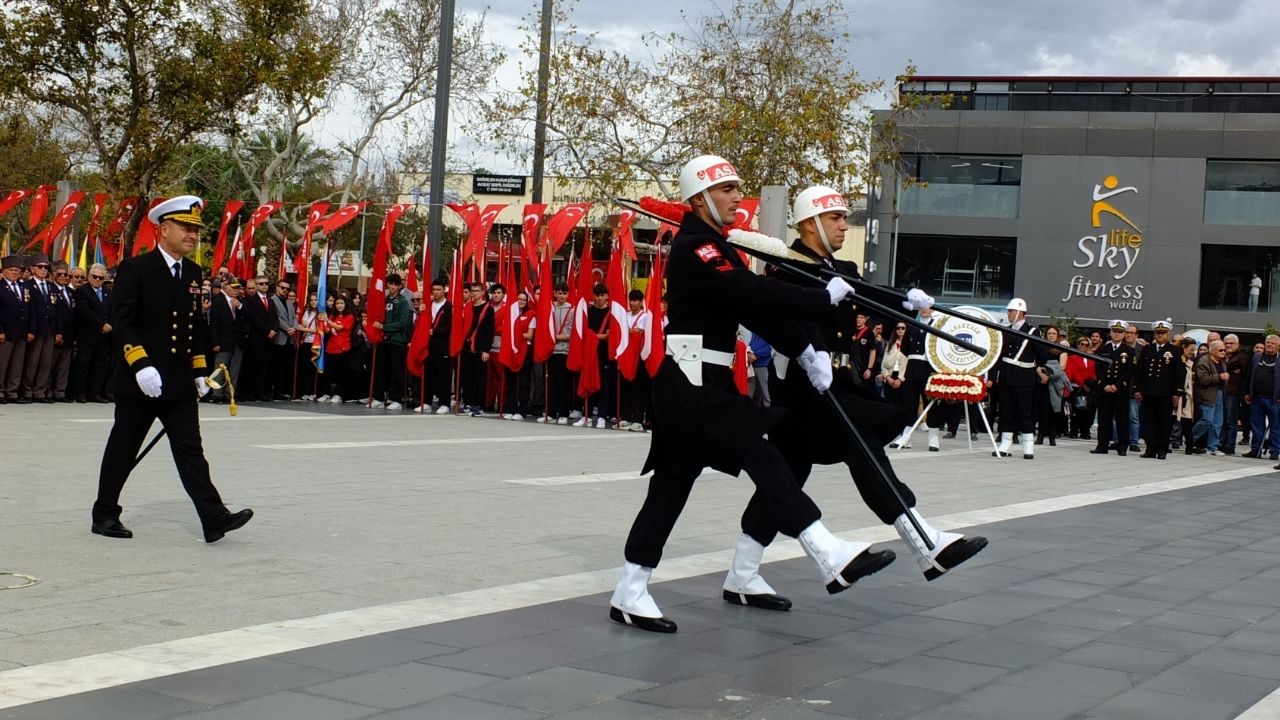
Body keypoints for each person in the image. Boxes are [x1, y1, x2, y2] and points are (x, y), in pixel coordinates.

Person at [609, 156, 892, 633]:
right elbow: (749, 291)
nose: (737, 196)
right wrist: (820, 298)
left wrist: (804, 348)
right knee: (764, 457)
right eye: (727, 189)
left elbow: (753, 311)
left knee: (670, 490)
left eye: (736, 187)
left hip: (703, 383)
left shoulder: (717, 245)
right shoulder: (699, 248)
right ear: (700, 198)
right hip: (691, 385)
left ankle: (630, 590)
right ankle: (827, 550)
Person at [724, 185, 986, 613]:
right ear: (810, 224)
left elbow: (864, 292)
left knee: (787, 479)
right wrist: (811, 349)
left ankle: (742, 572)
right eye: (835, 218)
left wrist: (905, 298)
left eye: (845, 217)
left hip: (832, 384)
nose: (845, 225)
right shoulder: (786, 267)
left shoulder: (839, 267)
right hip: (805, 388)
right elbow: (783, 315)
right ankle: (924, 540)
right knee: (862, 447)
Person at [91, 195, 253, 543]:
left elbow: (194, 327)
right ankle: (104, 513)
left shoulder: (192, 272)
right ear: (163, 229)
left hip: (178, 383)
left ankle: (213, 517)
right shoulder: (135, 268)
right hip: (141, 380)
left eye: (196, 229)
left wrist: (199, 371)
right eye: (185, 228)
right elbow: (122, 322)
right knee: (123, 448)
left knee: (191, 450)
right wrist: (141, 365)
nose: (193, 235)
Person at [988, 298, 1051, 459]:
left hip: (1024, 377)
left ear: (1020, 312)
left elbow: (1043, 354)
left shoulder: (1033, 332)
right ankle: (1005, 443)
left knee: (1024, 412)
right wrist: (992, 377)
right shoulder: (1005, 331)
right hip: (1006, 376)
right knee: (1006, 411)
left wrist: (1039, 367)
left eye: (1010, 311)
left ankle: (1028, 444)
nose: (1008, 314)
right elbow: (997, 356)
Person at [1133, 319, 1184, 460]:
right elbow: (1139, 370)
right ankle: (1151, 448)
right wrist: (1137, 388)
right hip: (1148, 392)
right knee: (1149, 422)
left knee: (1164, 422)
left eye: (1163, 333)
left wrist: (1177, 393)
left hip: (1166, 393)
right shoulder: (1147, 349)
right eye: (1158, 333)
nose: (1160, 335)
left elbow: (1181, 373)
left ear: (1168, 334)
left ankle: (1162, 449)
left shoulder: (1175, 350)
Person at [1088, 320, 1135, 455]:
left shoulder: (1129, 351)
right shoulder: (1102, 349)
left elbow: (1130, 371)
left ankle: (1122, 446)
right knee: (1104, 419)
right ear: (1110, 332)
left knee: (1122, 419)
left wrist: (1117, 385)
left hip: (1120, 389)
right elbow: (1098, 369)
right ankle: (1102, 445)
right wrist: (1104, 385)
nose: (1117, 334)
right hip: (1105, 389)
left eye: (1120, 332)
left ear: (1124, 334)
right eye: (1114, 331)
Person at [368, 273, 410, 410]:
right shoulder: (384, 300)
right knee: (381, 370)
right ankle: (379, 397)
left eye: (395, 285)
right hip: (383, 340)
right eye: (390, 284)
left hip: (397, 341)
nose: (392, 287)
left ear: (399, 286)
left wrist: (384, 327)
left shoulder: (403, 301)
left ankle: (396, 399)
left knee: (397, 371)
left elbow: (402, 323)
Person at [73, 263, 113, 403]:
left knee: (100, 365)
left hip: (104, 336)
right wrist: (101, 324)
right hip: (87, 334)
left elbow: (112, 310)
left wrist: (110, 325)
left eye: (100, 278)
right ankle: (80, 392)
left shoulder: (108, 292)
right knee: (83, 364)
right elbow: (85, 311)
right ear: (89, 277)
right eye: (95, 277)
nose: (97, 280)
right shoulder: (82, 291)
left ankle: (94, 392)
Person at [21, 252, 58, 403]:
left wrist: (58, 331)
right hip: (35, 329)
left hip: (50, 328)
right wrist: (30, 330)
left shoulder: (51, 286)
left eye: (46, 267)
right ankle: (27, 390)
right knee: (33, 361)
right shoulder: (27, 286)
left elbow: (56, 310)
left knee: (45, 362)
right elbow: (28, 310)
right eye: (40, 267)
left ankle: (40, 391)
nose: (43, 269)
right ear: (32, 268)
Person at [415, 277, 453, 414]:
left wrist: (434, 331)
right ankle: (426, 402)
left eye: (439, 289)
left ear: (444, 290)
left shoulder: (449, 307)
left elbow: (450, 327)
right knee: (428, 374)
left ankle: (445, 403)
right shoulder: (428, 305)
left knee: (443, 375)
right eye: (434, 290)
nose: (436, 292)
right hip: (428, 344)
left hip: (442, 345)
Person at [0, 255, 30, 404]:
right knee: (2, 363)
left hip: (21, 331)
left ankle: (12, 392)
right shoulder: (1, 287)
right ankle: (0, 391)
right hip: (6, 331)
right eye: (11, 270)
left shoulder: (23, 287)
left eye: (17, 270)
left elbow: (28, 310)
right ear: (4, 271)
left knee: (17, 364)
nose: (14, 272)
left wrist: (30, 330)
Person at [1246, 335, 1280, 461]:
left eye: (1273, 343)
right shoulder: (1256, 358)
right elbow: (1249, 375)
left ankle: (1274, 451)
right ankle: (1256, 449)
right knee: (1256, 426)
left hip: (1274, 399)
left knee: (1276, 426)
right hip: (1256, 398)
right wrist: (1247, 392)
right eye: (1268, 342)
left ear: (1278, 346)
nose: (1269, 345)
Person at [320, 296, 354, 403]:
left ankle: (339, 394)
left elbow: (339, 328)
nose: (339, 305)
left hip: (342, 349)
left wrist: (327, 321)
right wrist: (322, 324)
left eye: (341, 303)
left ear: (345, 304)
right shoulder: (332, 316)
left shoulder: (349, 317)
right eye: (337, 303)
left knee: (341, 374)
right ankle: (326, 393)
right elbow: (327, 331)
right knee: (327, 373)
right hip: (331, 348)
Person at [1064, 334, 1096, 440]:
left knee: (1088, 412)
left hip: (1089, 388)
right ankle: (1074, 431)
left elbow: (1094, 372)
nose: (1084, 346)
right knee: (1076, 412)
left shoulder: (1092, 358)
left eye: (1086, 345)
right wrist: (1083, 384)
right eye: (1082, 344)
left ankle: (1085, 431)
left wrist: (1091, 384)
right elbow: (1073, 373)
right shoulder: (1073, 358)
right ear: (1078, 345)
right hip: (1078, 388)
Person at [1220, 333, 1248, 455]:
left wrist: (1226, 365)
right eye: (1226, 343)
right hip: (1221, 390)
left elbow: (1233, 366)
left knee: (1231, 420)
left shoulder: (1242, 356)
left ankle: (1230, 445)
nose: (1228, 345)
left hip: (1234, 392)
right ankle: (1222, 443)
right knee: (1221, 419)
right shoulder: (1222, 356)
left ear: (1237, 344)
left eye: (1231, 343)